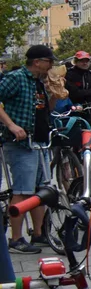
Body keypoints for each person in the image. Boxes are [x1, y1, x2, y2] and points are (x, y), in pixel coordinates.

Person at [0, 45, 59, 254]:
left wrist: (54, 95)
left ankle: (39, 234)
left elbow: (45, 110)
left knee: (40, 191)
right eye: (49, 61)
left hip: (39, 141)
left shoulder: (38, 82)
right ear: (37, 62)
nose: (51, 65)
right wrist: (11, 125)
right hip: (20, 143)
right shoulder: (16, 78)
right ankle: (16, 238)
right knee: (23, 192)